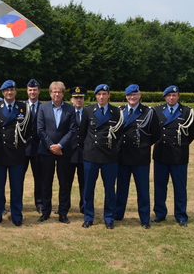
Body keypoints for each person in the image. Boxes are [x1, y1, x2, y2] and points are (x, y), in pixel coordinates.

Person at [114, 84, 161, 229]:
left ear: (139, 95)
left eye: (134, 95)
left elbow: (156, 134)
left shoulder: (148, 112)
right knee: (121, 187)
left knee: (142, 189)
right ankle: (118, 214)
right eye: (129, 95)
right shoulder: (120, 111)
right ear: (126, 97)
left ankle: (145, 218)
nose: (132, 97)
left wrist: (144, 145)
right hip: (122, 156)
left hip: (140, 157)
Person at [152, 85, 194, 227]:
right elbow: (153, 132)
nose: (171, 98)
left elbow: (192, 133)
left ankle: (181, 215)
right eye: (169, 96)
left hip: (179, 156)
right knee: (160, 186)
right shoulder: (157, 111)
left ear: (178, 97)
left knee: (180, 187)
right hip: (161, 155)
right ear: (165, 97)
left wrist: (181, 145)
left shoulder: (187, 112)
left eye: (174, 95)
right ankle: (160, 213)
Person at [79, 84, 123, 229]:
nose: (102, 97)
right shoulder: (88, 110)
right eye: (99, 94)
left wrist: (114, 149)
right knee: (88, 188)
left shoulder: (116, 112)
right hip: (91, 155)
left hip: (109, 157)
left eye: (104, 94)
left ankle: (109, 218)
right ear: (96, 96)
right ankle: (88, 216)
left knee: (110, 189)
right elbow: (83, 132)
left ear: (109, 95)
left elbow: (120, 134)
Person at [0, 80, 30, 227]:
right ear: (2, 92)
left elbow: (28, 130)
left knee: (16, 187)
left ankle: (17, 215)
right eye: (6, 90)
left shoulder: (24, 108)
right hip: (0, 152)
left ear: (15, 91)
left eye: (11, 90)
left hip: (17, 153)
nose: (9, 92)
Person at [37, 81, 76, 224]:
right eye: (54, 91)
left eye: (59, 91)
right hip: (46, 151)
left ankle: (63, 212)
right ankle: (45, 211)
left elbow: (72, 130)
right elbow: (40, 129)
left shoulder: (70, 109)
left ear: (63, 93)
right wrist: (51, 146)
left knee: (64, 183)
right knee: (46, 182)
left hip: (64, 152)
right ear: (50, 93)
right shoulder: (43, 107)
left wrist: (60, 146)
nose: (57, 94)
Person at [24, 79, 43, 214]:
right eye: (30, 90)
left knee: (40, 178)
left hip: (38, 148)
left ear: (39, 91)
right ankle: (17, 202)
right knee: (18, 177)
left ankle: (40, 203)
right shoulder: (21, 106)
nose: (32, 92)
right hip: (23, 148)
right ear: (27, 91)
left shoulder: (44, 107)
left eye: (35, 90)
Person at [68, 86, 87, 214]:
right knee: (66, 183)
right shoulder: (66, 113)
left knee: (84, 183)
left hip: (84, 153)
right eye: (76, 98)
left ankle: (84, 206)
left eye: (80, 98)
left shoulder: (88, 113)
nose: (78, 100)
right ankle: (65, 206)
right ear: (71, 99)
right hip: (69, 153)